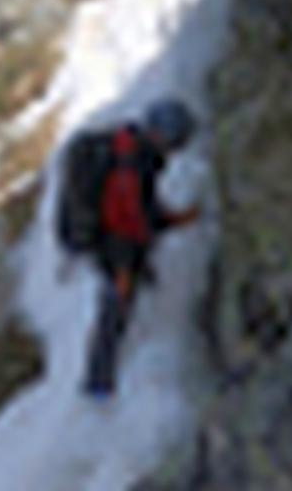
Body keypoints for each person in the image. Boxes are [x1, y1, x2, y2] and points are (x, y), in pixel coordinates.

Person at [56, 99, 201, 397]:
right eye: (176, 144)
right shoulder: (131, 166)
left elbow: (141, 208)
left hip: (107, 233)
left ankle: (137, 281)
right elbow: (127, 220)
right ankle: (97, 382)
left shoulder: (133, 151)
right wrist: (123, 269)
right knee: (115, 306)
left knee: (124, 286)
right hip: (108, 242)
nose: (175, 152)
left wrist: (172, 220)